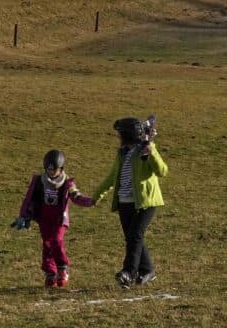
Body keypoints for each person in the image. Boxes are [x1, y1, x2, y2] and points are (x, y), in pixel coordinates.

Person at [91, 117, 168, 287]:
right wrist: (96, 196)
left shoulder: (146, 149)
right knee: (133, 237)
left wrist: (151, 153)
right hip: (125, 202)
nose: (118, 137)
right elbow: (112, 177)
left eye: (120, 134)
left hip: (146, 202)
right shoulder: (123, 153)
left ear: (127, 134)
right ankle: (148, 270)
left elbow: (162, 171)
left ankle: (129, 272)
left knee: (135, 235)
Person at [11, 150, 94, 287]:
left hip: (60, 219)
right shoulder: (39, 181)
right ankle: (50, 273)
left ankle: (62, 268)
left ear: (61, 169)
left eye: (53, 169)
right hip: (45, 218)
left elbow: (76, 196)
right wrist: (24, 215)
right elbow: (29, 199)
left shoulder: (67, 183)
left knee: (56, 240)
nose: (50, 172)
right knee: (47, 244)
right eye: (48, 169)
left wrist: (89, 201)